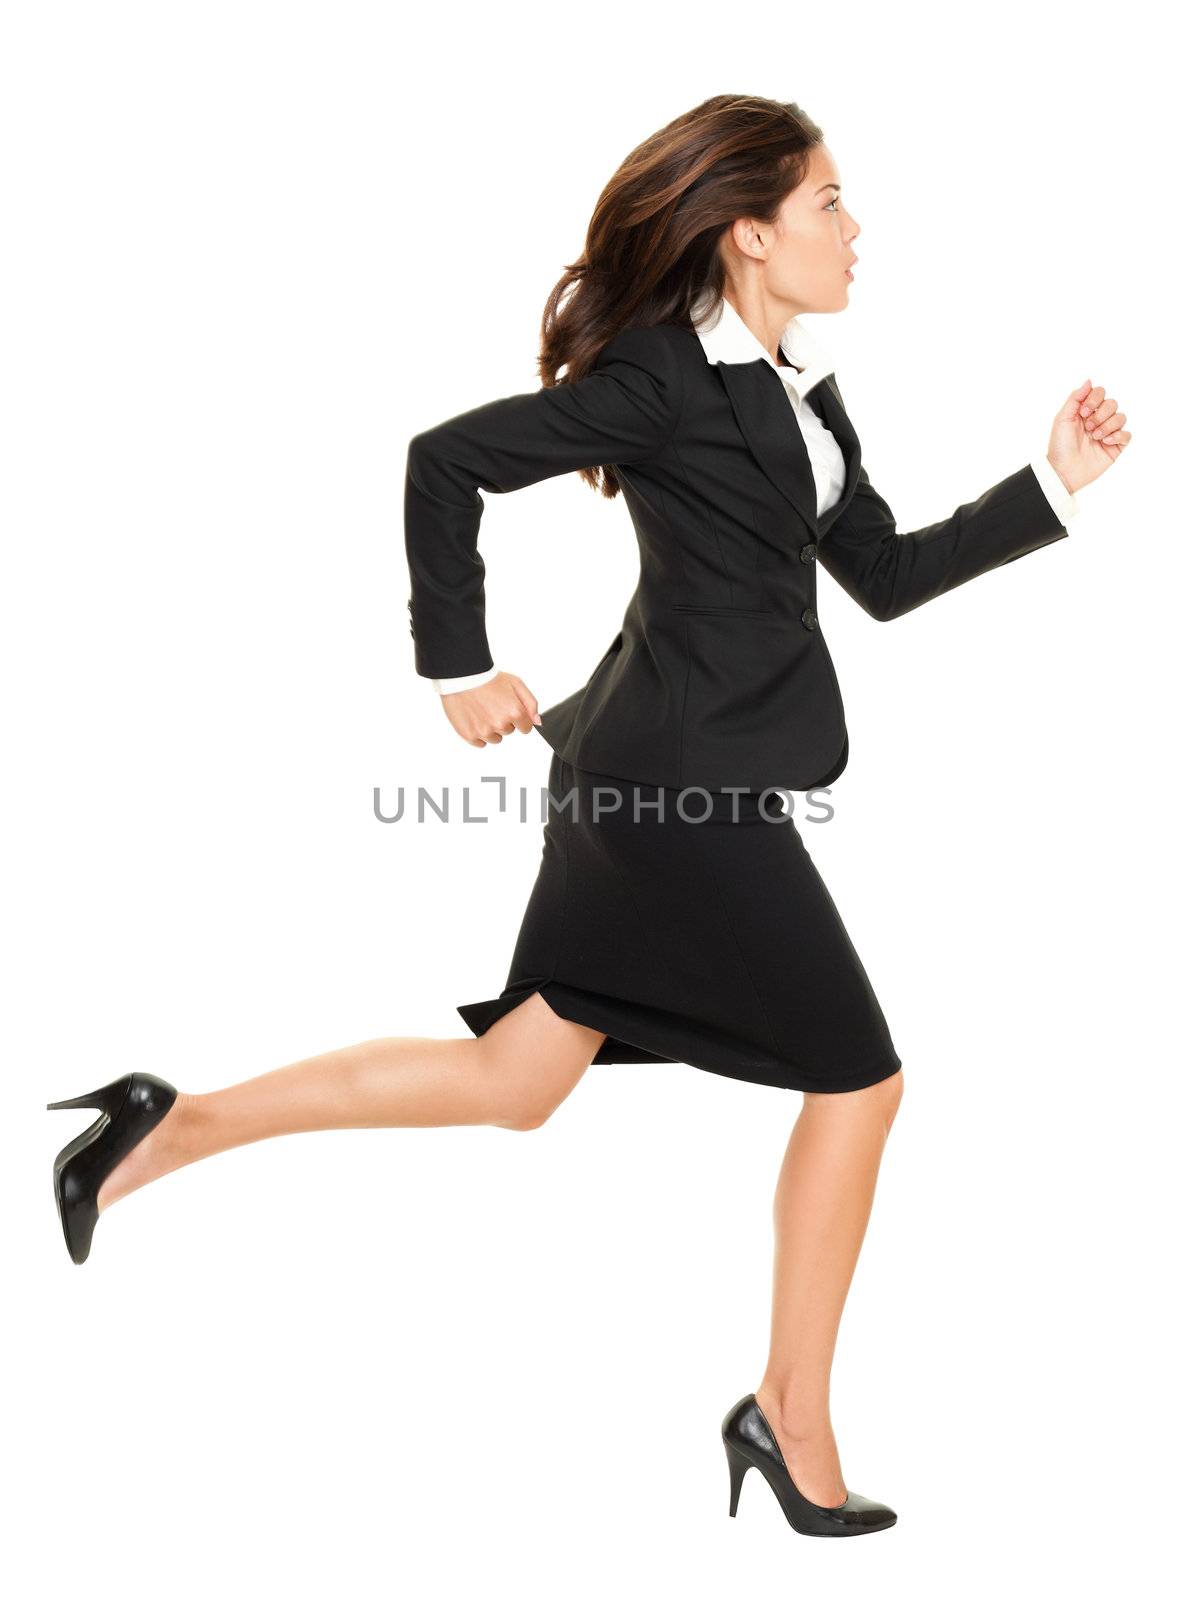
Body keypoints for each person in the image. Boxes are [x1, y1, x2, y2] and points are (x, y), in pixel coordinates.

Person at [47, 94, 1128, 1539]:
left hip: (648, 772)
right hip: (678, 790)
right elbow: (448, 461)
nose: (854, 228)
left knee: (513, 1084)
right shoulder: (664, 378)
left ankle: (165, 1126)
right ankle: (789, 1414)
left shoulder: (800, 391)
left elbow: (881, 574)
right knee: (862, 1081)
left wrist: (1052, 480)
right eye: (827, 204)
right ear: (748, 232)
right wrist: (456, 665)